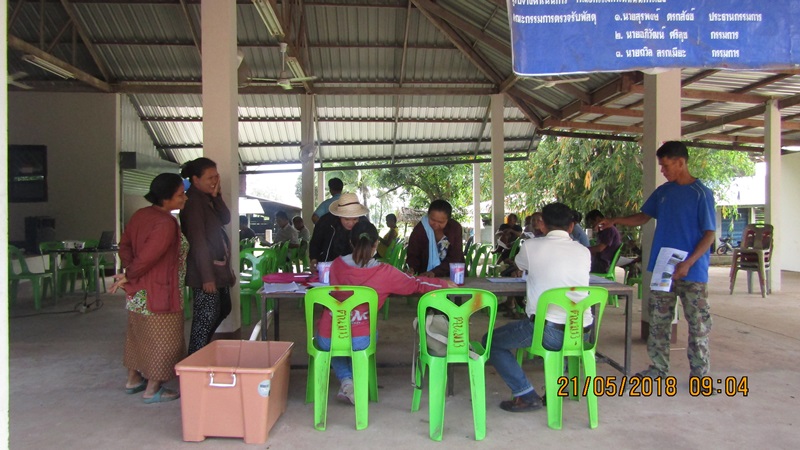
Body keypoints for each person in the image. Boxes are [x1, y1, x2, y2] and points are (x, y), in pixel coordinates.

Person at [597, 141, 715, 381]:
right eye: (661, 166)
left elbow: (709, 234)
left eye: (666, 166)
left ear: (681, 162)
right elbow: (643, 216)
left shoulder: (701, 193)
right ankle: (658, 369)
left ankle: (700, 375)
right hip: (664, 268)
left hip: (692, 271)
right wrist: (615, 220)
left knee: (698, 324)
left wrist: (688, 263)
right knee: (659, 321)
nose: (663, 170)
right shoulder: (663, 192)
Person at [319, 221, 456, 404]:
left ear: (351, 242)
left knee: (334, 342)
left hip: (327, 336)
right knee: (357, 342)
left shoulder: (336, 265)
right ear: (376, 244)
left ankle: (347, 381)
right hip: (361, 338)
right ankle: (354, 381)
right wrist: (443, 284)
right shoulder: (385, 272)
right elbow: (415, 284)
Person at [483, 202, 592, 412]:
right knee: (560, 339)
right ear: (572, 226)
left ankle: (525, 394)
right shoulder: (583, 251)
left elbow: (520, 265)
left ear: (542, 225)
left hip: (548, 331)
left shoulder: (531, 247)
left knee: (491, 342)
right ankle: (558, 387)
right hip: (582, 331)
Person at [112, 173, 188, 403]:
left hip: (138, 289)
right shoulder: (165, 222)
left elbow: (124, 246)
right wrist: (131, 273)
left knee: (137, 335)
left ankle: (133, 379)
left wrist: (130, 272)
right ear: (166, 198)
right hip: (160, 290)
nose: (184, 198)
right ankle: (153, 389)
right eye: (180, 194)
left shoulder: (141, 215)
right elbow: (149, 256)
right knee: (164, 339)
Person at [179, 157, 236, 355]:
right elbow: (198, 242)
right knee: (205, 317)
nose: (215, 180)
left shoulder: (208, 198)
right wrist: (207, 277)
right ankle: (195, 357)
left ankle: (201, 351)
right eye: (210, 178)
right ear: (195, 180)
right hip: (206, 271)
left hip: (218, 268)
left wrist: (216, 195)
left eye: (216, 176)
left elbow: (226, 218)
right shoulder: (193, 202)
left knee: (223, 308)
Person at [309, 192, 369, 271]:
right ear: (339, 215)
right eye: (347, 219)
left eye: (355, 219)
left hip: (355, 268)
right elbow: (315, 243)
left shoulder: (364, 224)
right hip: (328, 267)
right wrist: (314, 260)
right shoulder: (326, 222)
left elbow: (369, 246)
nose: (351, 223)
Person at [405, 199, 465, 278]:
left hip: (454, 275)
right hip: (426, 277)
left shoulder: (454, 228)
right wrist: (411, 268)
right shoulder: (420, 230)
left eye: (441, 222)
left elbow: (455, 256)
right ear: (428, 215)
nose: (436, 224)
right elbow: (413, 255)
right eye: (432, 220)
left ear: (448, 220)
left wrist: (435, 272)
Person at [586, 209, 622, 274]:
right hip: (603, 262)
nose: (592, 226)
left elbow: (600, 248)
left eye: (592, 223)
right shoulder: (605, 230)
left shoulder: (608, 230)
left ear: (598, 219)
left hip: (603, 264)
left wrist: (584, 249)